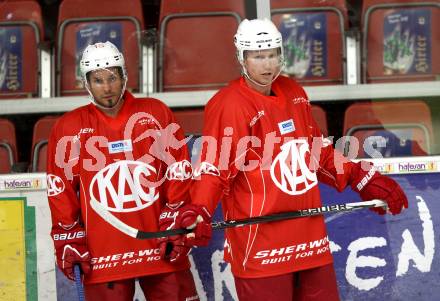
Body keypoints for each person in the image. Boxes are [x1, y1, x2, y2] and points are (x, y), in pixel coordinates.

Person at [158, 19, 408, 301]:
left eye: (273, 54)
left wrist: (362, 177)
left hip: (309, 239)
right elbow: (215, 167)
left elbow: (317, 150)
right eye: (258, 56)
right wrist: (199, 209)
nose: (268, 65)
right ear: (242, 58)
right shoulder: (230, 104)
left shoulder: (294, 92)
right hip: (261, 245)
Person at [46, 41, 199, 301]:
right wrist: (68, 236)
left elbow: (178, 170)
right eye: (97, 80)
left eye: (112, 77)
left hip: (160, 246)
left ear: (124, 76)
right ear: (86, 83)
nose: (106, 87)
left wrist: (176, 215)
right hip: (104, 255)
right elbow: (60, 188)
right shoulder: (69, 127)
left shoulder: (155, 113)